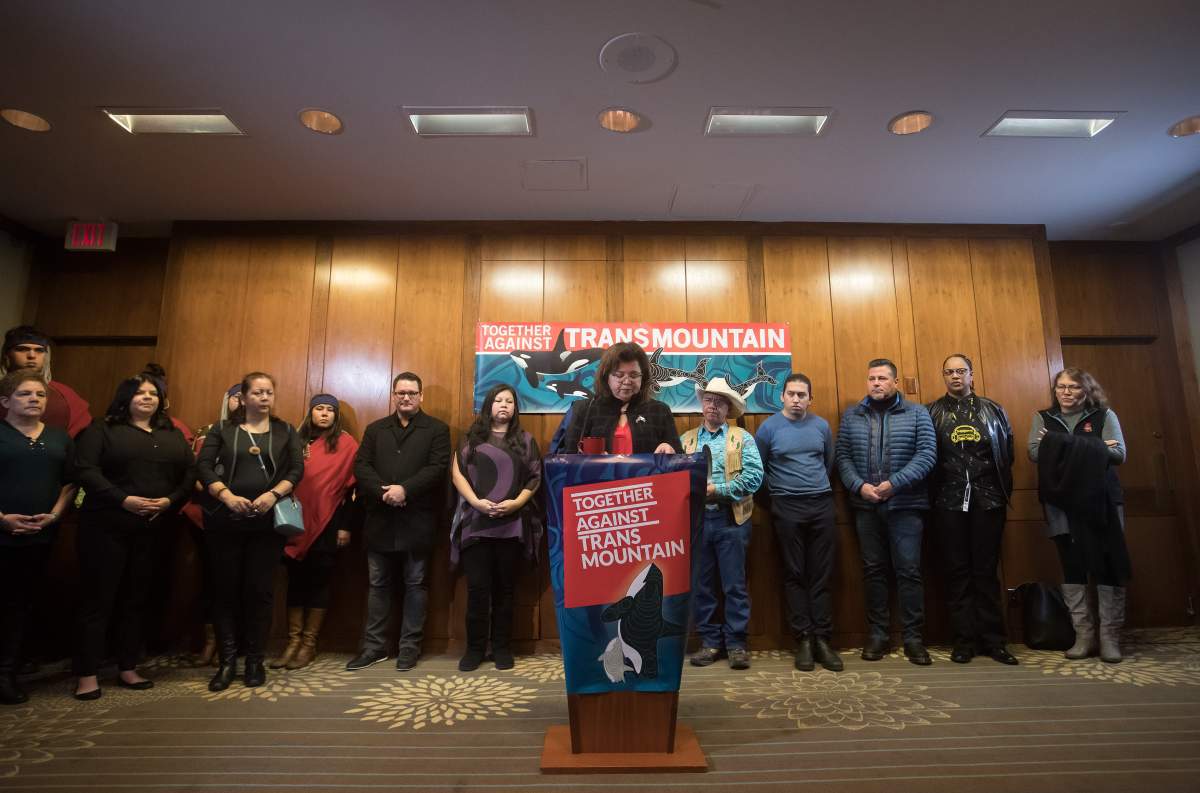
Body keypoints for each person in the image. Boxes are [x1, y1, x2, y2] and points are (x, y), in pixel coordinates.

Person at [72, 374, 196, 700]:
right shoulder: (102, 429)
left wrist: (170, 501)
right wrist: (122, 499)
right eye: (139, 393)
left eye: (153, 393)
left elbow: (190, 474)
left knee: (137, 600)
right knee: (98, 601)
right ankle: (87, 674)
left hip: (153, 530)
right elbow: (85, 469)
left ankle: (128, 667)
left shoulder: (171, 434)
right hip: (106, 527)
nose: (147, 398)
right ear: (125, 397)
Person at [197, 372, 303, 690]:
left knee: (260, 592)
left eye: (269, 392)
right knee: (225, 591)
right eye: (257, 392)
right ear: (243, 398)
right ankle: (228, 661)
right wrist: (226, 496)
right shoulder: (223, 430)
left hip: (266, 524)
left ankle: (255, 660)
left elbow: (297, 469)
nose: (264, 397)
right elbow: (202, 466)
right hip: (225, 521)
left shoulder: (285, 431)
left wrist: (273, 495)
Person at [347, 372, 450, 672]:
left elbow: (437, 467)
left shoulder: (437, 430)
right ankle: (374, 647)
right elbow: (361, 466)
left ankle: (409, 647)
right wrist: (385, 492)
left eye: (412, 392)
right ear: (393, 395)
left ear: (421, 397)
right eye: (401, 392)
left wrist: (405, 489)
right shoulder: (376, 429)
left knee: (416, 584)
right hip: (379, 519)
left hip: (417, 519)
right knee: (378, 585)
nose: (406, 397)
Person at [836, 358, 937, 665]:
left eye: (882, 378)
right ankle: (878, 635)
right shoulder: (852, 415)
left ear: (895, 383)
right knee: (873, 571)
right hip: (866, 506)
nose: (876, 383)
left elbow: (927, 455)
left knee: (908, 571)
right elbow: (842, 457)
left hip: (906, 506)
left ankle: (913, 638)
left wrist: (894, 483)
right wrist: (859, 486)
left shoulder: (917, 413)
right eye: (871, 378)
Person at [1029, 367, 1131, 663]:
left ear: (1086, 391)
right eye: (1061, 387)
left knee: (1107, 565)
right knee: (1072, 566)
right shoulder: (1043, 418)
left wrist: (1059, 444)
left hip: (1103, 502)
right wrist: (1096, 446)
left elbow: (1119, 454)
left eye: (1073, 387)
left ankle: (1109, 638)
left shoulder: (1104, 416)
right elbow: (1035, 452)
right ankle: (1083, 636)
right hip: (1061, 504)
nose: (1066, 392)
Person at [926, 355, 1018, 665]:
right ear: (943, 376)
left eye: (960, 371)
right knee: (957, 572)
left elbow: (1008, 453)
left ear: (971, 374)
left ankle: (994, 641)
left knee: (985, 571)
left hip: (988, 500)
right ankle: (963, 640)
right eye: (949, 371)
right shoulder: (932, 412)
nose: (955, 376)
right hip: (947, 502)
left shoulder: (993, 410)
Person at [449, 385, 542, 672]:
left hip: (512, 525)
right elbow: (456, 474)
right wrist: (476, 502)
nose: (504, 405)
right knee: (478, 590)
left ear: (515, 408)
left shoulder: (525, 441)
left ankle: (502, 648)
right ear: (489, 405)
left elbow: (535, 478)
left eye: (509, 401)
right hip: (476, 523)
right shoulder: (470, 439)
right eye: (498, 400)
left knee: (505, 591)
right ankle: (475, 649)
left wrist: (516, 504)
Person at [754, 373, 841, 672]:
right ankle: (803, 638)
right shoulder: (767, 429)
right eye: (791, 394)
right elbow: (758, 471)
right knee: (794, 574)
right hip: (786, 507)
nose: (796, 399)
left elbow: (829, 464)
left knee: (821, 574)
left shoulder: (821, 426)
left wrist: (814, 490)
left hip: (821, 504)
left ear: (810, 399)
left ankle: (822, 640)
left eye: (802, 395)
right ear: (782, 396)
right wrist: (776, 502)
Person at [0, 371, 76, 705]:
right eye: (25, 394)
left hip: (40, 535)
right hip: (2, 532)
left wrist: (55, 515)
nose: (34, 399)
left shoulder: (60, 439)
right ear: (5, 401)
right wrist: (2, 520)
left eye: (40, 395)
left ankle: (7, 673)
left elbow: (70, 483)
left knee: (21, 606)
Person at [270, 394, 357, 671]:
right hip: (294, 520)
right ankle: (292, 642)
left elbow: (352, 490)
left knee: (319, 582)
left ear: (336, 415)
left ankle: (309, 644)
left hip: (329, 521)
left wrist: (345, 525)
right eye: (319, 409)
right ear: (310, 413)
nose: (324, 414)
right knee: (295, 582)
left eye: (329, 410)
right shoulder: (295, 441)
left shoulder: (346, 444)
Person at [681, 377, 762, 671]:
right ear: (702, 405)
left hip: (732, 519)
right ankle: (710, 642)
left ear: (729, 408)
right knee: (701, 586)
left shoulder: (742, 438)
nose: (712, 406)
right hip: (697, 521)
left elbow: (754, 477)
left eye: (719, 401)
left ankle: (737, 644)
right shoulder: (686, 440)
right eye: (708, 400)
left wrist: (719, 491)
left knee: (734, 585)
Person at [180, 383, 242, 667]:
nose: (241, 402)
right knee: (210, 581)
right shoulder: (208, 432)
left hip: (243, 515)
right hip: (207, 514)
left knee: (242, 582)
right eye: (237, 397)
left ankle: (235, 643)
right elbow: (194, 471)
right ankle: (210, 642)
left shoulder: (263, 435)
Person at [560, 342, 682, 455]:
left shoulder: (660, 410)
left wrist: (670, 449)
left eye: (634, 375)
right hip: (598, 478)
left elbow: (679, 457)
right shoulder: (585, 409)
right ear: (606, 376)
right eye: (619, 375)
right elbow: (569, 457)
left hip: (646, 478)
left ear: (643, 377)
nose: (627, 381)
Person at [1, 325, 92, 437]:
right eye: (22, 349)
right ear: (7, 354)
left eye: (39, 350)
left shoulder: (65, 395)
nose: (31, 355)